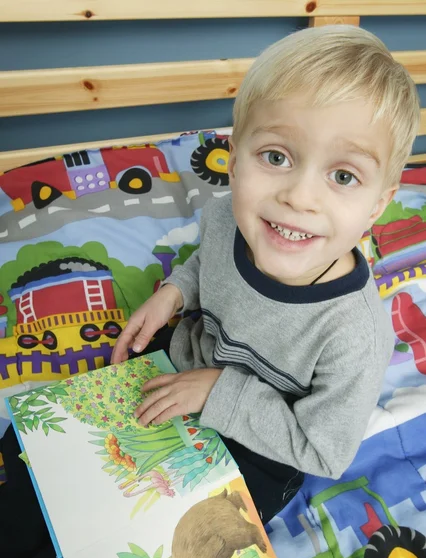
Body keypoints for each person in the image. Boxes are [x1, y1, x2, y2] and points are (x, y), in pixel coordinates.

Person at [112, 25, 420, 524]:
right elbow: (204, 262)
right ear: (233, 162)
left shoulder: (355, 336)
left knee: (153, 531)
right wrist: (175, 291)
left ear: (377, 207)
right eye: (276, 157)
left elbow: (323, 452)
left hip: (261, 447)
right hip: (184, 361)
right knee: (49, 463)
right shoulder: (225, 218)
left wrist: (217, 390)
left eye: (343, 176)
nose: (299, 197)